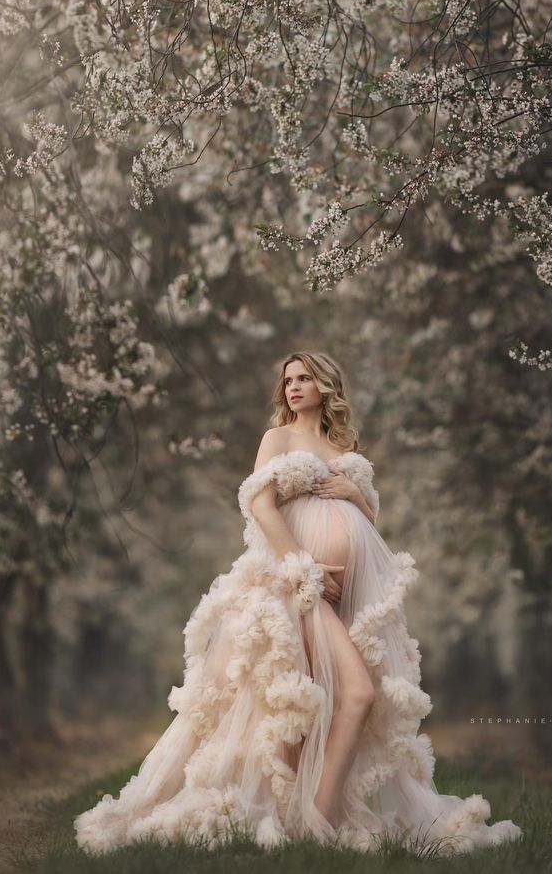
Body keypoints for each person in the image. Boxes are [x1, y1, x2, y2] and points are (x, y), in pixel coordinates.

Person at [74, 350, 523, 856]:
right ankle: (310, 822)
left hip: (341, 597)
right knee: (327, 699)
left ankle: (315, 822)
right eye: (288, 379)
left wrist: (357, 495)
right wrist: (302, 569)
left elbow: (369, 533)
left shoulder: (342, 443)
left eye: (304, 378)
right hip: (292, 588)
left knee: (333, 701)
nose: (293, 387)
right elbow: (260, 504)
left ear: (325, 385)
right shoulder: (278, 438)